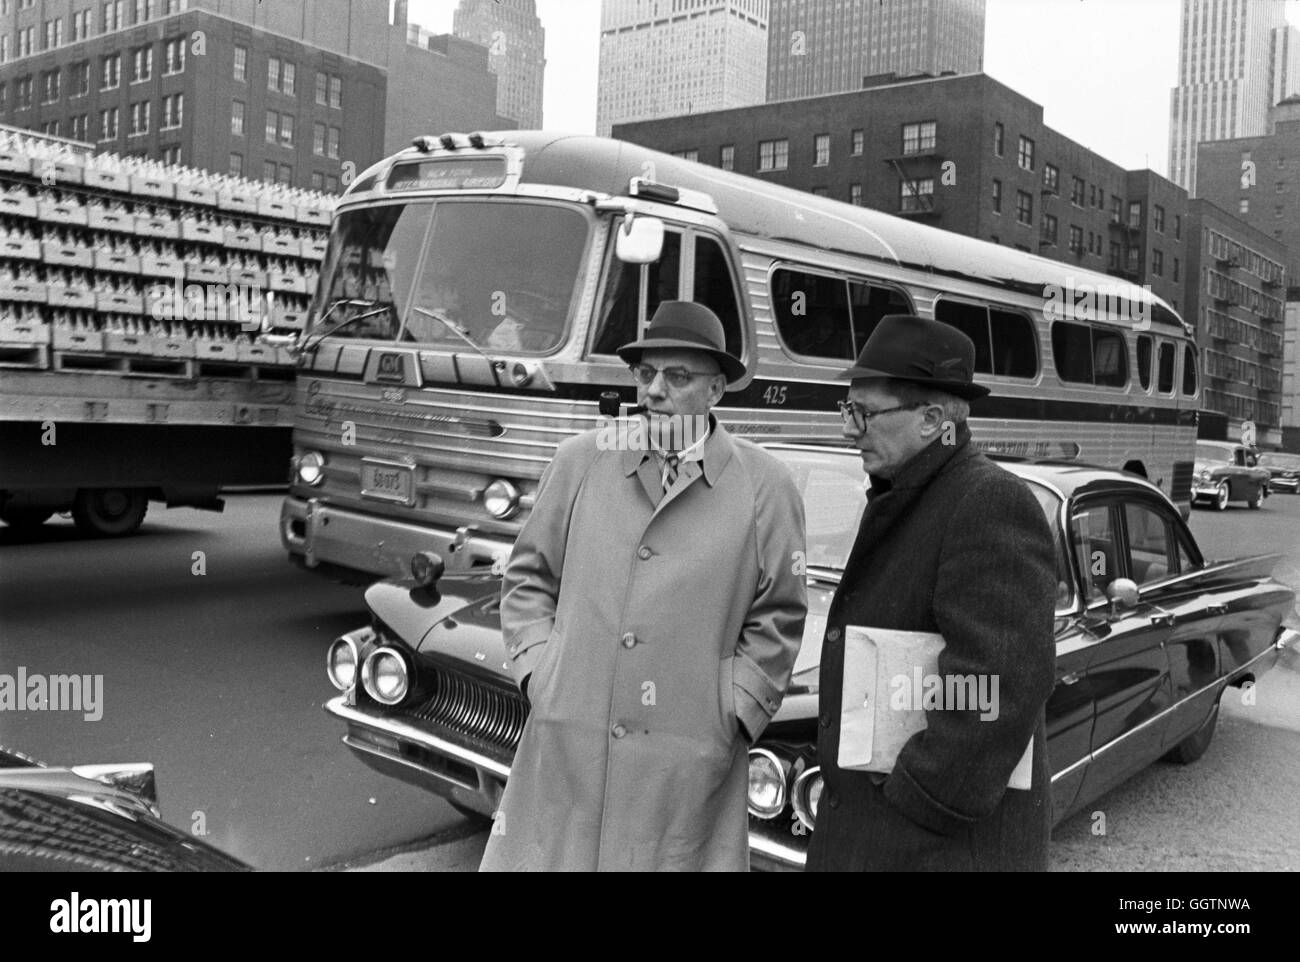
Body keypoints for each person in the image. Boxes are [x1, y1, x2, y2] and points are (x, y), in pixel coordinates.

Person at [480, 301, 807, 872]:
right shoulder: (580, 460)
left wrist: (731, 710)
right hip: (569, 737)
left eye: (678, 376)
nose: (654, 390)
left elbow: (779, 612)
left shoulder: (765, 487)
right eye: (645, 373)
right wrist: (541, 673)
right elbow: (528, 574)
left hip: (687, 754)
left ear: (716, 391)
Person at [805, 314, 1057, 872]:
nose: (849, 429)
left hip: (933, 845)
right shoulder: (912, 492)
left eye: (863, 413)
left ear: (933, 419)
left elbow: (1002, 681)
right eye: (847, 410)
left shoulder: (987, 501)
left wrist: (922, 794)